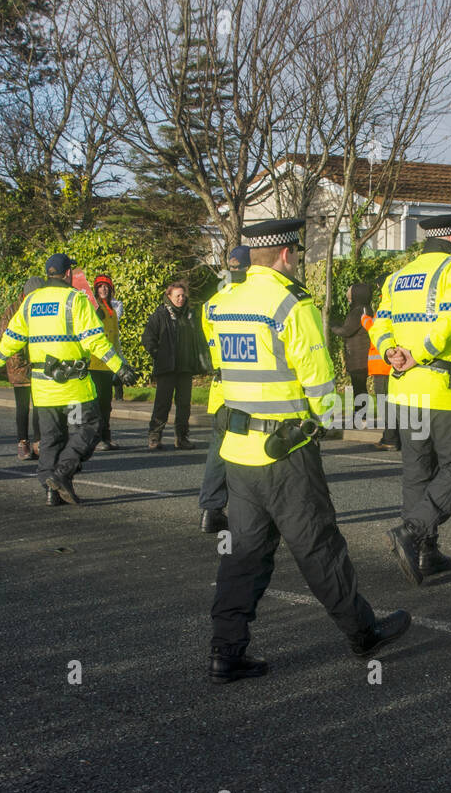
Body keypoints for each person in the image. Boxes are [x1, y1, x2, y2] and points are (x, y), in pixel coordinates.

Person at [204, 217, 410, 683]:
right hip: (286, 453)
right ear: (285, 255)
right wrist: (338, 417)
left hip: (239, 450)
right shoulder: (291, 303)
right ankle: (363, 634)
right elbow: (319, 386)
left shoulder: (223, 303)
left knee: (243, 554)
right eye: (296, 253)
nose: (296, 259)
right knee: (318, 546)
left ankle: (225, 650)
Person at [0, 253, 138, 506]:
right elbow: (94, 340)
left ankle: (51, 492)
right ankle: (62, 474)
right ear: (68, 274)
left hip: (43, 388)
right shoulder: (76, 300)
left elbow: (12, 337)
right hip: (73, 388)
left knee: (51, 438)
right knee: (87, 428)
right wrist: (120, 367)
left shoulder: (30, 301)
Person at [374, 213, 451, 585]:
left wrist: (392, 353)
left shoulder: (399, 275)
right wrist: (418, 353)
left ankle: (425, 554)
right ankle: (413, 533)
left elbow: (381, 324)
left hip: (403, 389)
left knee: (417, 472)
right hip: (440, 386)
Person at [197, 245, 248, 534]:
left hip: (220, 388)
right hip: (249, 388)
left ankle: (211, 509)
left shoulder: (212, 304)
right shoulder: (251, 299)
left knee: (219, 451)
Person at [143, 280, 203, 450]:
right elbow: (147, 338)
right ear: (169, 296)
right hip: (166, 368)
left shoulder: (190, 315)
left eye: (183, 295)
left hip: (185, 367)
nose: (181, 299)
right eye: (177, 296)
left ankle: (182, 438)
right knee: (162, 404)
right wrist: (158, 354)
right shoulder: (160, 314)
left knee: (184, 405)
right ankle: (154, 437)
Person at [0, 277, 44, 459]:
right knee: (23, 407)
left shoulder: (39, 307)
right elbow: (7, 337)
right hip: (20, 367)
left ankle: (38, 442)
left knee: (40, 406)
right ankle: (22, 442)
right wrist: (23, 364)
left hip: (39, 365)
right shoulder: (12, 310)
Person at [330, 282, 376, 429]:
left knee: (360, 387)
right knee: (359, 387)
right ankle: (360, 415)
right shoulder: (360, 309)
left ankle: (360, 416)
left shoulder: (359, 311)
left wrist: (331, 325)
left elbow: (346, 330)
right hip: (357, 355)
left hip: (359, 355)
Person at [87, 274, 122, 451]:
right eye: (100, 286)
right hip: (94, 364)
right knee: (97, 403)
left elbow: (115, 341)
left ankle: (106, 436)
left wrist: (120, 364)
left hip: (108, 365)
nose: (103, 289)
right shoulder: (92, 309)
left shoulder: (112, 312)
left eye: (106, 286)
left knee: (106, 404)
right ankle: (96, 438)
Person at [361, 301, 401, 451]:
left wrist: (365, 319)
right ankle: (392, 436)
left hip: (382, 365)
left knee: (385, 405)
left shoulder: (386, 306)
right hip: (390, 365)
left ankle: (390, 438)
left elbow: (376, 329)